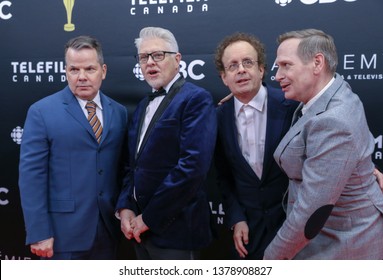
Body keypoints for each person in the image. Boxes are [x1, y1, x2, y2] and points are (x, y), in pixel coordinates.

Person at [264, 28, 383, 259]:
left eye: (285, 65)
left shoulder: (333, 120)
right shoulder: (334, 89)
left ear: (317, 63)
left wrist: (272, 259)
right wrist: (360, 168)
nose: (277, 75)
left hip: (348, 246)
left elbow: (311, 212)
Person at [18, 35, 128, 259]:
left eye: (89, 69)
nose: (82, 77)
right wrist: (39, 232)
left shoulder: (119, 112)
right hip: (62, 235)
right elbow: (32, 178)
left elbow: (124, 169)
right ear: (65, 71)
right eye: (74, 70)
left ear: (103, 71)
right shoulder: (42, 112)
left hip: (109, 231)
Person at [115, 27, 217, 260]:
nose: (150, 62)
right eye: (144, 57)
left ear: (177, 59)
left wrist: (149, 218)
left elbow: (192, 167)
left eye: (158, 55)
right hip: (138, 232)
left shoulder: (195, 99)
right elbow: (133, 165)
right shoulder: (142, 106)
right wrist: (126, 208)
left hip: (177, 231)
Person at [213, 32, 299, 259]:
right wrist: (236, 218)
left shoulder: (292, 106)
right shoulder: (217, 118)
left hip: (294, 226)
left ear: (261, 69)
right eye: (232, 66)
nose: (241, 69)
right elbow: (223, 176)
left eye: (247, 62)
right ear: (224, 77)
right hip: (249, 232)